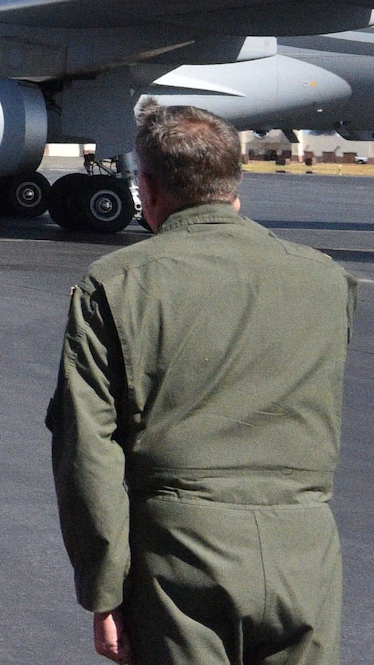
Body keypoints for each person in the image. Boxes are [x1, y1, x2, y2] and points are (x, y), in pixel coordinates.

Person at [50, 103, 358, 665]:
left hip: (183, 552)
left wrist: (104, 587)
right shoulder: (325, 278)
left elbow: (88, 448)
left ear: (146, 186)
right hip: (306, 548)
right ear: (233, 181)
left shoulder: (117, 283)